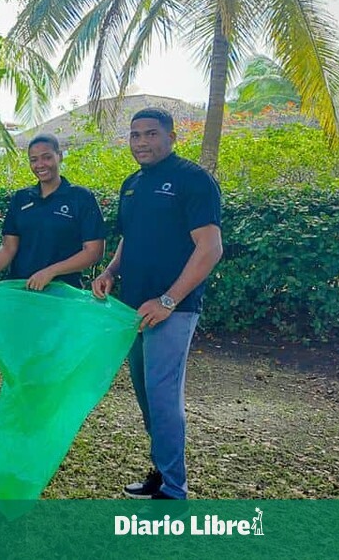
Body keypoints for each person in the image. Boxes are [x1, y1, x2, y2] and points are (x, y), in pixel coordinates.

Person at [92, 107, 223, 500]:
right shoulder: (131, 184)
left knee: (163, 396)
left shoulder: (193, 180)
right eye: (135, 135)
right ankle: (163, 472)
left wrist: (168, 300)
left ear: (171, 137)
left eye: (151, 134)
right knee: (148, 395)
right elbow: (129, 238)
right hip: (133, 309)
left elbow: (210, 247)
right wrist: (110, 271)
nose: (142, 142)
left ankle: (174, 490)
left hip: (172, 310)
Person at [0, 133, 105, 289]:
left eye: (47, 157)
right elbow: (9, 246)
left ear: (60, 156)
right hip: (22, 290)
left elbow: (94, 252)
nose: (40, 164)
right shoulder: (21, 198)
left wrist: (51, 272)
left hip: (63, 293)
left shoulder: (81, 197)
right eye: (34, 160)